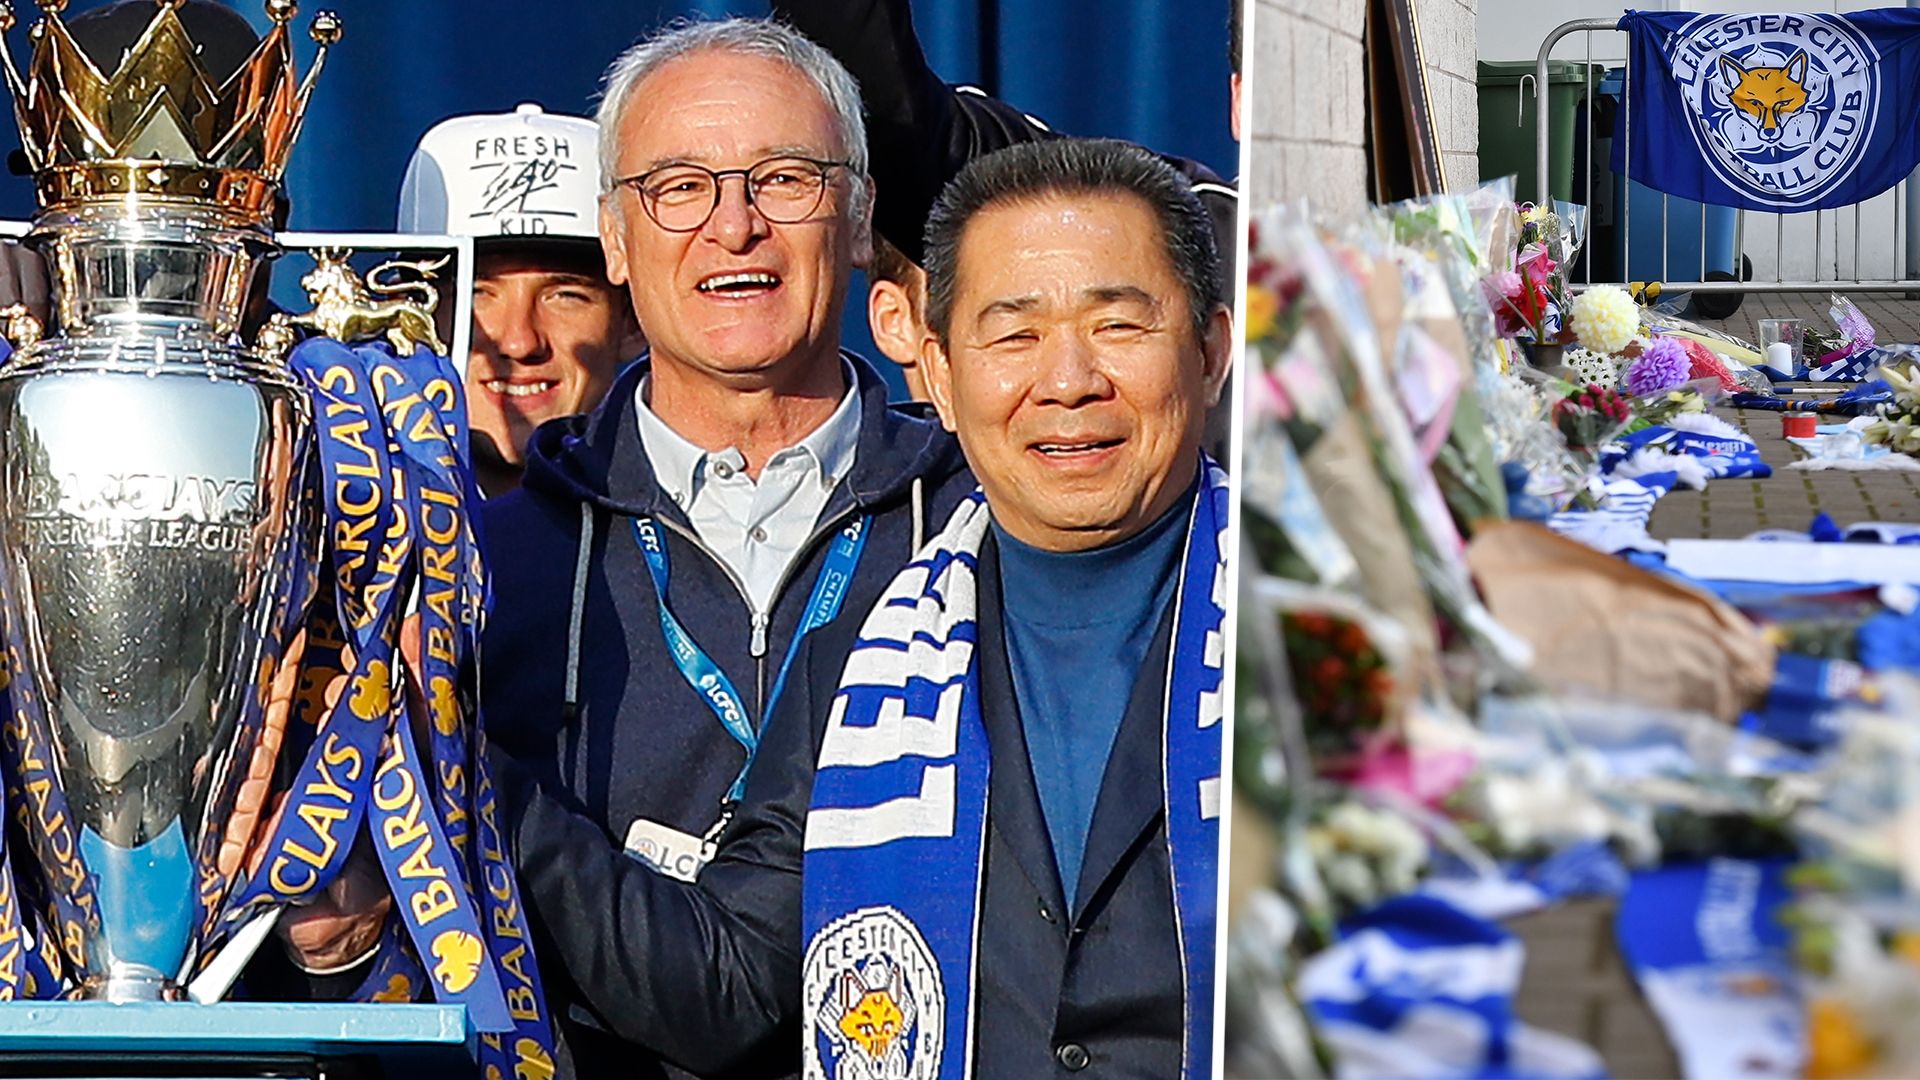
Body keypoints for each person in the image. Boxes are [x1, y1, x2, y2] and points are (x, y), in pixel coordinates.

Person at [492, 136, 1231, 1079]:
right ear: (937, 371)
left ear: (1210, 351)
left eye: (1119, 328)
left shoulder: (1338, 627)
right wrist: (448, 765)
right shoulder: (865, 659)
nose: (1068, 380)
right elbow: (734, 989)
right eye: (1014, 335)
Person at [464, 19, 971, 1077]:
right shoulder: (482, 566)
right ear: (614, 236)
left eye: (785, 178)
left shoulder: (981, 531)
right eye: (680, 186)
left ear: (861, 212)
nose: (733, 226)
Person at [398, 104, 645, 496]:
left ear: (633, 322)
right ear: (409, 314)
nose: (519, 342)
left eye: (565, 296)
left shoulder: (694, 517)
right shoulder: (332, 521)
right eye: (477, 293)